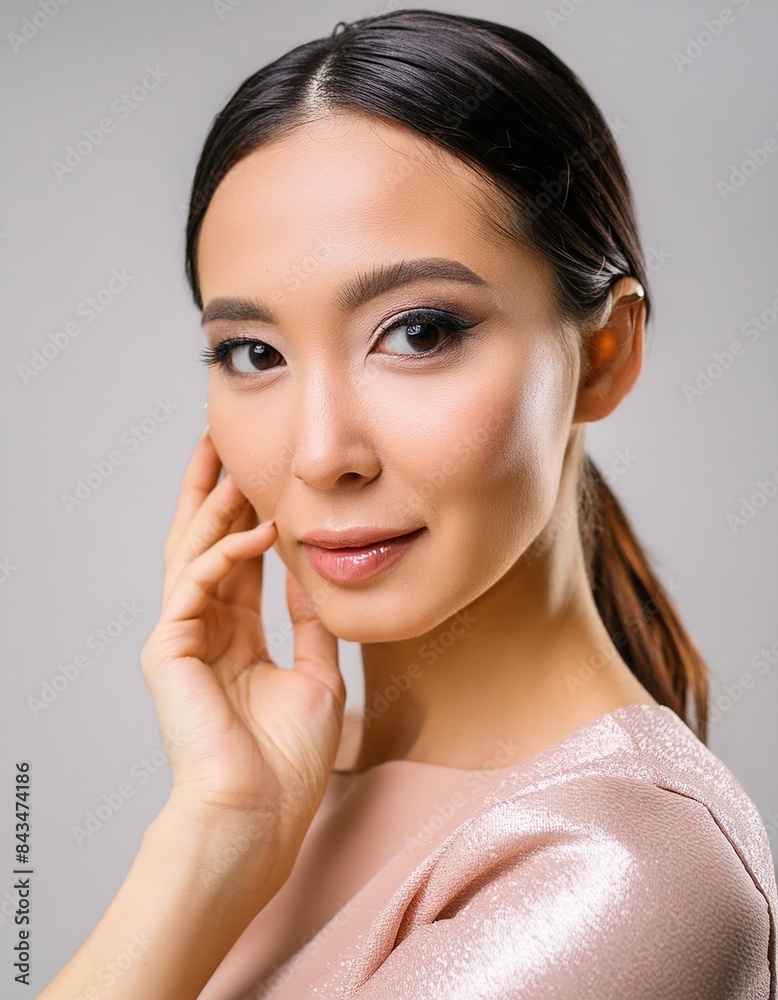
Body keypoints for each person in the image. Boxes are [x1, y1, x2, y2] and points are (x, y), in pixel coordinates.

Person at [40, 9, 777, 999]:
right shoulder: (284, 783)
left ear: (604, 354)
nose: (320, 453)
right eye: (254, 353)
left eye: (418, 332)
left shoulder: (619, 869)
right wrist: (213, 834)